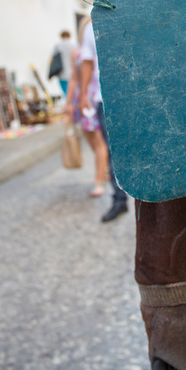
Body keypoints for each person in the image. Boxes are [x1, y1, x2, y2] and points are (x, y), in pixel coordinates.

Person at [79, 19, 128, 222]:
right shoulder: (91, 27)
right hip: (104, 98)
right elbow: (88, 62)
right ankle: (119, 200)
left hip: (134, 96)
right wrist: (83, 94)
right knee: (112, 152)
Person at [66, 18, 108, 198]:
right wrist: (69, 102)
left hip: (93, 97)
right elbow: (74, 77)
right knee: (91, 139)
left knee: (99, 141)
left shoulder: (98, 49)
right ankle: (103, 168)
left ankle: (98, 180)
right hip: (82, 98)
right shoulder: (76, 52)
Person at [54, 30, 75, 96]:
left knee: (64, 92)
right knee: (71, 92)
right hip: (71, 72)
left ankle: (67, 104)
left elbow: (52, 59)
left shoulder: (57, 46)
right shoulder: (73, 45)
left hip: (61, 72)